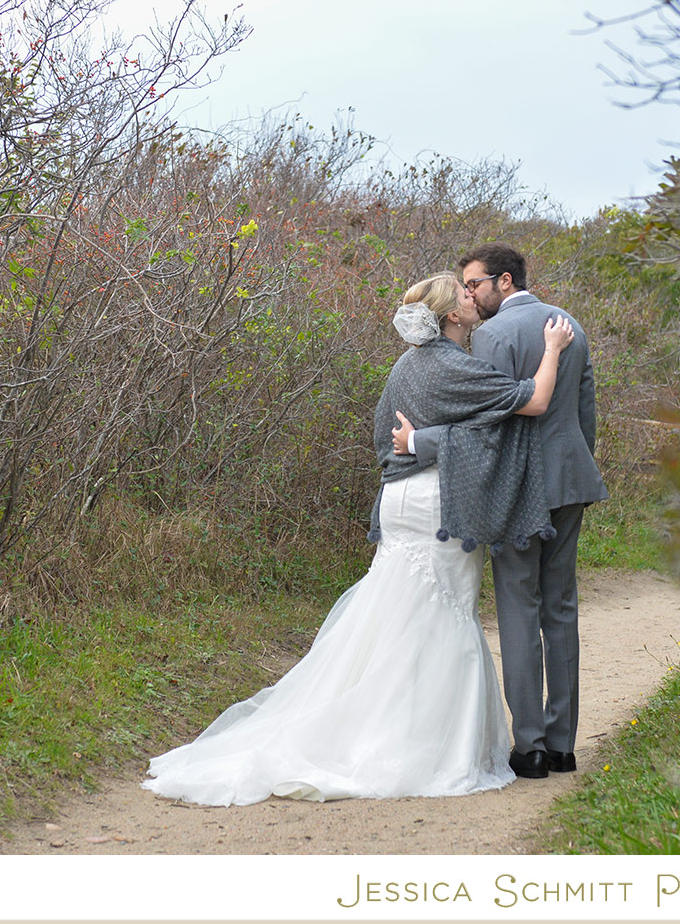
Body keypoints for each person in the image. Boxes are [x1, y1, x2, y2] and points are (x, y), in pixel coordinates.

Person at [140, 272, 575, 806]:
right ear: (452, 316)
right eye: (463, 294)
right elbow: (531, 402)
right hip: (434, 502)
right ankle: (409, 744)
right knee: (440, 618)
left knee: (395, 614)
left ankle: (369, 723)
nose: (472, 296)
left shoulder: (405, 365)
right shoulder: (452, 364)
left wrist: (414, 443)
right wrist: (551, 349)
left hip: (398, 501)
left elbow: (382, 438)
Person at [395, 243, 607, 780]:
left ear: (504, 282)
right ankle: (563, 746)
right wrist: (573, 468)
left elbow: (483, 425)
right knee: (561, 608)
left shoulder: (492, 336)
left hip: (517, 488)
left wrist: (422, 440)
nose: (470, 295)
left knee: (519, 608)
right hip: (570, 483)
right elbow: (585, 415)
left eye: (474, 285)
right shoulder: (571, 327)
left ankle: (530, 748)